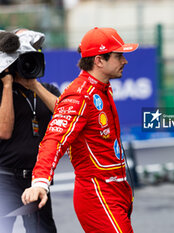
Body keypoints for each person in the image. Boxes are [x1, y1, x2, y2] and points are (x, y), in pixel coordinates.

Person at [21, 27, 138, 233]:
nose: (125, 61)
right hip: (98, 193)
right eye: (119, 55)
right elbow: (53, 140)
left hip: (117, 189)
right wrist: (40, 182)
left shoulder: (101, 88)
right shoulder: (78, 96)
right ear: (99, 61)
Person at [0, 29, 58, 232]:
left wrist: (34, 86)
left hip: (36, 179)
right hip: (4, 178)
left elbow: (65, 115)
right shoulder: (2, 91)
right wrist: (7, 85)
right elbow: (4, 132)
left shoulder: (47, 90)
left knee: (43, 230)